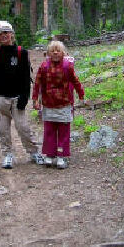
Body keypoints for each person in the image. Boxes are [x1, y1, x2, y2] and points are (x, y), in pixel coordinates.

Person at [0, 20, 44, 169]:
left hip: (17, 98)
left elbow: (26, 76)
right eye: (0, 34)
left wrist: (25, 96)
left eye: (6, 32)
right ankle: (7, 155)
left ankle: (33, 152)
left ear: (11, 34)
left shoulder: (21, 53)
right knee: (3, 130)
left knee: (23, 128)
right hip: (0, 98)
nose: (3, 36)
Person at [32, 40, 84, 169]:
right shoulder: (44, 66)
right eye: (52, 50)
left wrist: (81, 93)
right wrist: (35, 99)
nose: (55, 52)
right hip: (48, 104)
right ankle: (49, 155)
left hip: (64, 104)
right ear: (48, 53)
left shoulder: (68, 66)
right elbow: (37, 83)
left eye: (58, 50)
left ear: (63, 53)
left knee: (63, 131)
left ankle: (61, 156)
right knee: (49, 131)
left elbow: (75, 81)